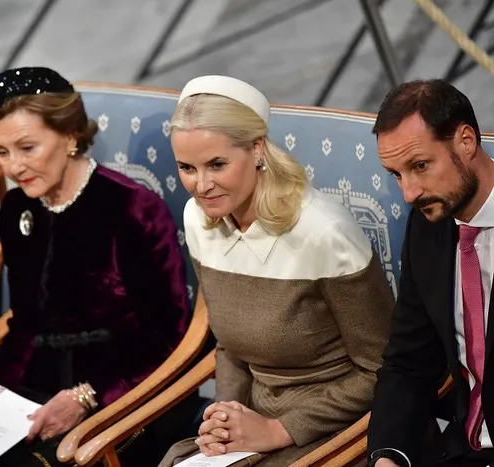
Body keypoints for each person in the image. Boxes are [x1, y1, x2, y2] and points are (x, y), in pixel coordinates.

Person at [0, 67, 193, 466]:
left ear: (69, 136)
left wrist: (86, 396)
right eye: (1, 152)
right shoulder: (17, 208)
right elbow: (25, 325)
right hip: (40, 387)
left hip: (128, 393)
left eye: (26, 148)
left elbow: (168, 337)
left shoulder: (131, 208)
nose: (13, 167)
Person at [159, 75, 394, 467]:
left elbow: (383, 370)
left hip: (341, 425)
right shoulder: (198, 219)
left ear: (256, 148)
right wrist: (225, 418)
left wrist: (280, 430)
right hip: (254, 420)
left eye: (217, 164)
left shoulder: (325, 232)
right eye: (186, 167)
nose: (201, 186)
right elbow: (230, 347)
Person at [367, 79, 494, 467]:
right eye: (396, 174)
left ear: (466, 141)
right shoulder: (428, 225)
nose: (409, 193)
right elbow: (409, 361)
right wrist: (387, 454)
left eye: (420, 166)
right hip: (461, 449)